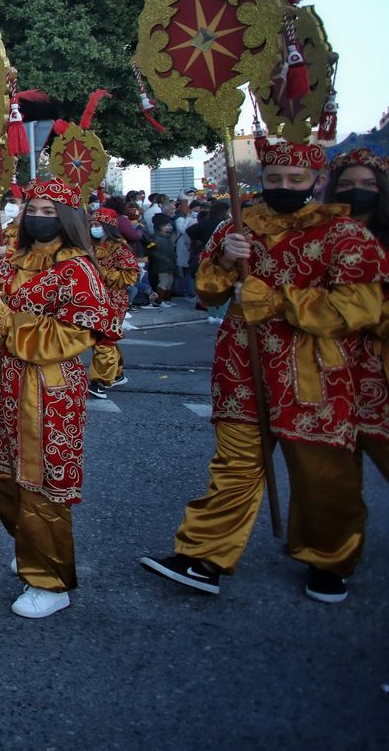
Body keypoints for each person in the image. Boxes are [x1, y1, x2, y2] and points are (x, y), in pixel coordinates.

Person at [140, 139, 389, 604]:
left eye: (295, 179)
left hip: (314, 370)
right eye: (274, 178)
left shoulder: (344, 234)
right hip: (242, 365)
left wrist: (273, 301)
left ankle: (328, 559)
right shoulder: (239, 225)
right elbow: (208, 293)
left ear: (315, 181)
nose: (284, 186)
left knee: (322, 473)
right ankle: (204, 557)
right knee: (234, 466)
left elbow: (358, 307)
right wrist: (224, 260)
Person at [0, 178, 118, 619]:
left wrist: (9, 320)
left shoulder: (78, 269)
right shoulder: (11, 260)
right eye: (33, 209)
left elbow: (76, 333)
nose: (39, 217)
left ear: (67, 217)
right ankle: (33, 543)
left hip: (45, 384)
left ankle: (49, 578)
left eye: (50, 211)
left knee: (39, 479)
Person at [324, 149, 389, 484]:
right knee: (334, 473)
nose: (357, 191)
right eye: (347, 184)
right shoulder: (317, 235)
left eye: (367, 184)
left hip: (380, 361)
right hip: (331, 362)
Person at [88, 208, 140, 397]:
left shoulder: (120, 248)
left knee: (104, 339)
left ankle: (101, 381)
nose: (94, 228)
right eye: (92, 224)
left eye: (97, 225)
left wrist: (103, 273)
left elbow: (131, 275)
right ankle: (116, 374)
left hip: (114, 299)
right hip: (94, 298)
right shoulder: (90, 246)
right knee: (100, 337)